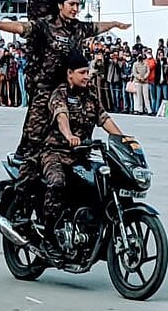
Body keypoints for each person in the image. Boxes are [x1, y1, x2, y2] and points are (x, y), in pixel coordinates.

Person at [0, 0, 129, 164]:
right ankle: (24, 168)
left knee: (83, 116)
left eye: (78, 5)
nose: (75, 9)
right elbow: (22, 27)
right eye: (71, 4)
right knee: (34, 131)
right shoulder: (45, 26)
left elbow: (97, 26)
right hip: (46, 85)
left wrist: (115, 24)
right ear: (60, 5)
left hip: (71, 83)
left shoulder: (79, 28)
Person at [39, 51, 125, 257]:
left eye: (88, 72)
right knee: (57, 182)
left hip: (81, 156)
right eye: (82, 72)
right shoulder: (59, 94)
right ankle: (49, 238)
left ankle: (89, 228)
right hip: (54, 153)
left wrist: (124, 139)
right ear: (70, 74)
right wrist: (69, 135)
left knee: (102, 182)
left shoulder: (90, 96)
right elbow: (61, 116)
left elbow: (104, 120)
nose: (87, 76)